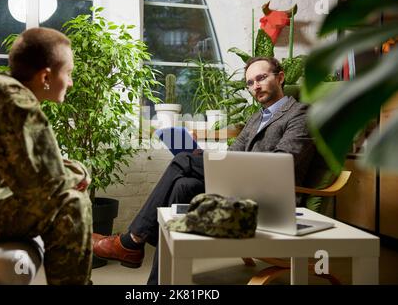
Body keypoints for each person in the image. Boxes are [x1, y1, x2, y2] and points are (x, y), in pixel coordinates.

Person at [92, 56, 316, 284]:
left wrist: (207, 161)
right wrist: (206, 157)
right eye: (250, 83)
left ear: (280, 77)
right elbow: (235, 154)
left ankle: (133, 240)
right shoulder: (256, 117)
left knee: (183, 161)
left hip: (272, 198)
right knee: (183, 184)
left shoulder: (300, 113)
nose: (255, 86)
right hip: (241, 188)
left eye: (261, 78)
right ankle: (158, 283)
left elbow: (283, 163)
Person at [0, 27, 93, 285]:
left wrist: (71, 172)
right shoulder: (14, 102)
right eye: (68, 73)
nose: (70, 82)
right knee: (72, 203)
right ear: (46, 76)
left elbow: (30, 169)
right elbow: (46, 188)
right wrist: (80, 174)